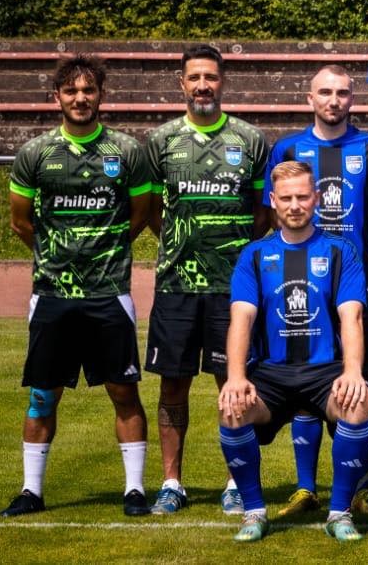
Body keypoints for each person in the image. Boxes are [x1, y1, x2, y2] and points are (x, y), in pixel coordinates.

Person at [2, 55, 154, 518]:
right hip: (52, 294)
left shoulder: (126, 152)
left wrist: (102, 251)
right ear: (57, 97)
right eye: (71, 90)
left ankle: (134, 490)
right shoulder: (35, 153)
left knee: (124, 392)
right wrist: (59, 255)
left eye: (88, 90)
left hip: (109, 293)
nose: (80, 98)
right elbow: (20, 222)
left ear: (101, 95)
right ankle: (31, 491)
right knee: (42, 395)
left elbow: (140, 215)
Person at [141, 44, 270, 515]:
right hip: (176, 285)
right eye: (194, 77)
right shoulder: (160, 141)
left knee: (232, 384)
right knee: (172, 387)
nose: (202, 86)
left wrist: (231, 251)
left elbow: (262, 214)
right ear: (182, 83)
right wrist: (185, 243)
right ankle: (171, 482)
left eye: (210, 77)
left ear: (222, 81)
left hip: (232, 289)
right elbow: (151, 211)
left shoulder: (250, 140)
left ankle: (236, 482)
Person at [264, 65, 368, 517]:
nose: (334, 100)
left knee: (363, 381)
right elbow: (273, 215)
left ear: (352, 99)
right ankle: (306, 488)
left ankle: (364, 487)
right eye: (325, 92)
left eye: (342, 92)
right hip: (303, 284)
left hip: (362, 286)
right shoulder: (287, 149)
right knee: (306, 371)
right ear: (310, 98)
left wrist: (354, 259)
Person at [215, 161, 368, 543]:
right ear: (273, 200)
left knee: (357, 403)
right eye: (286, 198)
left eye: (303, 196)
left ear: (316, 198)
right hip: (272, 373)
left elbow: (351, 316)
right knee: (232, 408)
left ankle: (339, 513)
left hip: (325, 371)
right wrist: (235, 378)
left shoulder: (340, 251)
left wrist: (353, 372)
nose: (295, 205)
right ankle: (254, 512)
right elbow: (241, 319)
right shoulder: (255, 255)